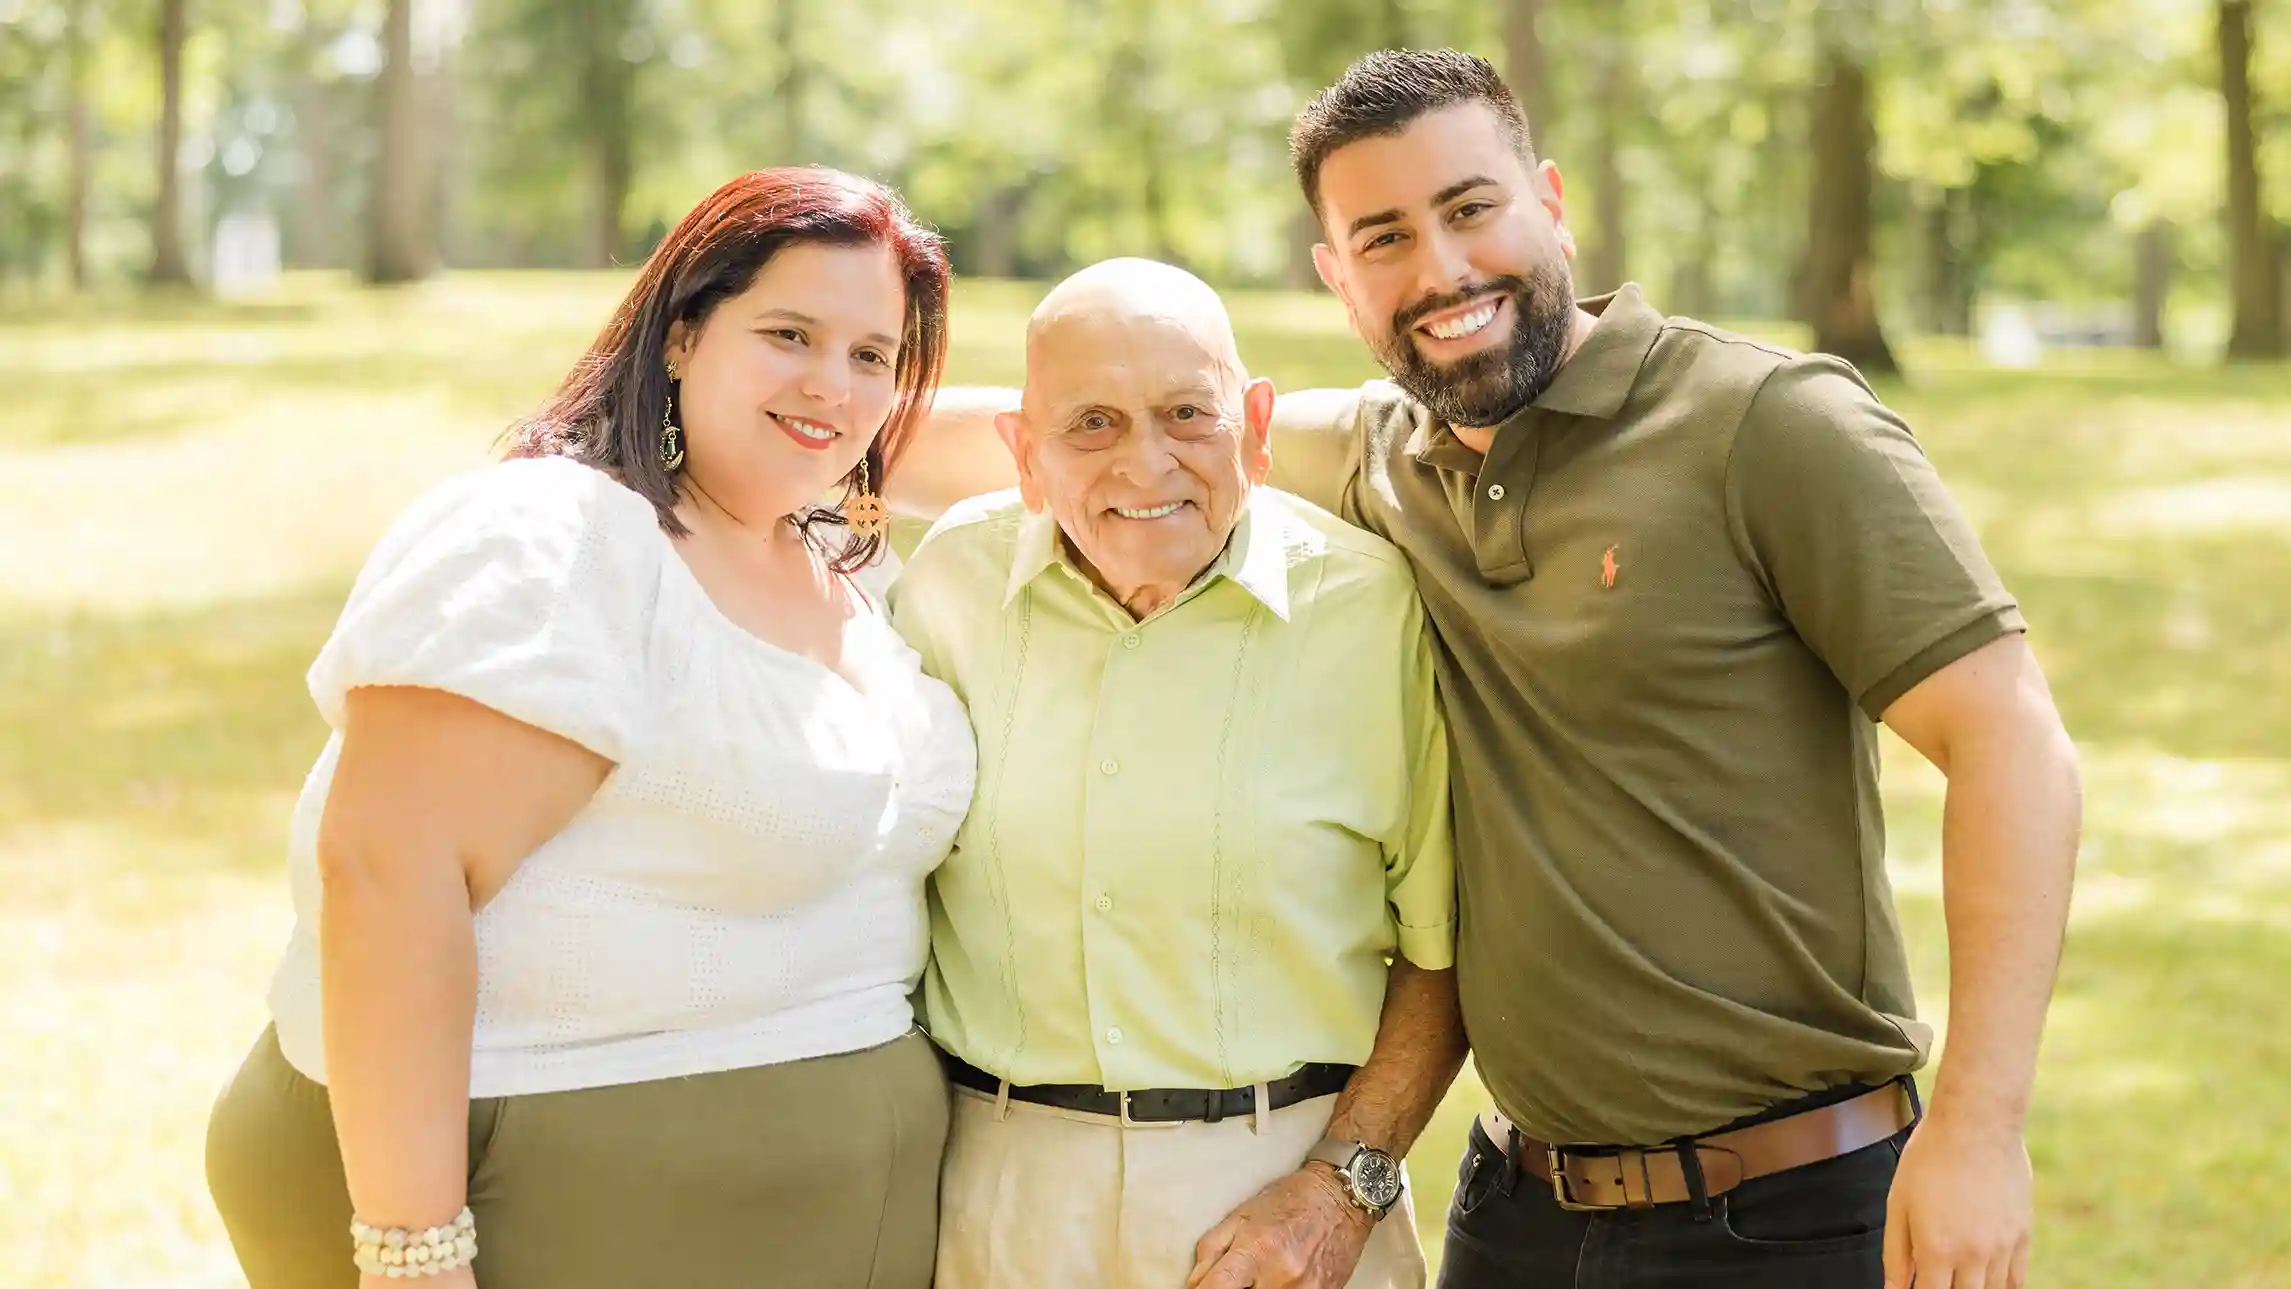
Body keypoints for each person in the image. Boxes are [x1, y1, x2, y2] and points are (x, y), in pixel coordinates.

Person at [891, 50, 2082, 1289]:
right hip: (1518, 1211)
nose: (1442, 270)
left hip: (1787, 1206)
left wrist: (1981, 1126)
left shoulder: (1766, 426)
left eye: (1470, 209)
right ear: (1337, 277)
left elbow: (2009, 742)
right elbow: (1112, 436)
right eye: (1385, 237)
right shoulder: (1383, 459)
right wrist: (795, 425)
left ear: (1549, 200)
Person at [204, 167, 977, 1289]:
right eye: (788, 332)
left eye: (873, 355)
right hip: (513, 1203)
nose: (832, 384)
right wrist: (414, 1253)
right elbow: (385, 869)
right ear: (679, 335)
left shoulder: (831, 550)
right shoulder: (561, 538)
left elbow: (1069, 432)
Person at [887, 258, 1466, 1289]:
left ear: (1252, 420)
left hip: (1286, 1199)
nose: (1146, 463)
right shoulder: (946, 589)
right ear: (1023, 455)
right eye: (1091, 424)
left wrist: (1342, 1186)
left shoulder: (1370, 608)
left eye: (1185, 413)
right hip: (999, 1195)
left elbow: (1447, 949)